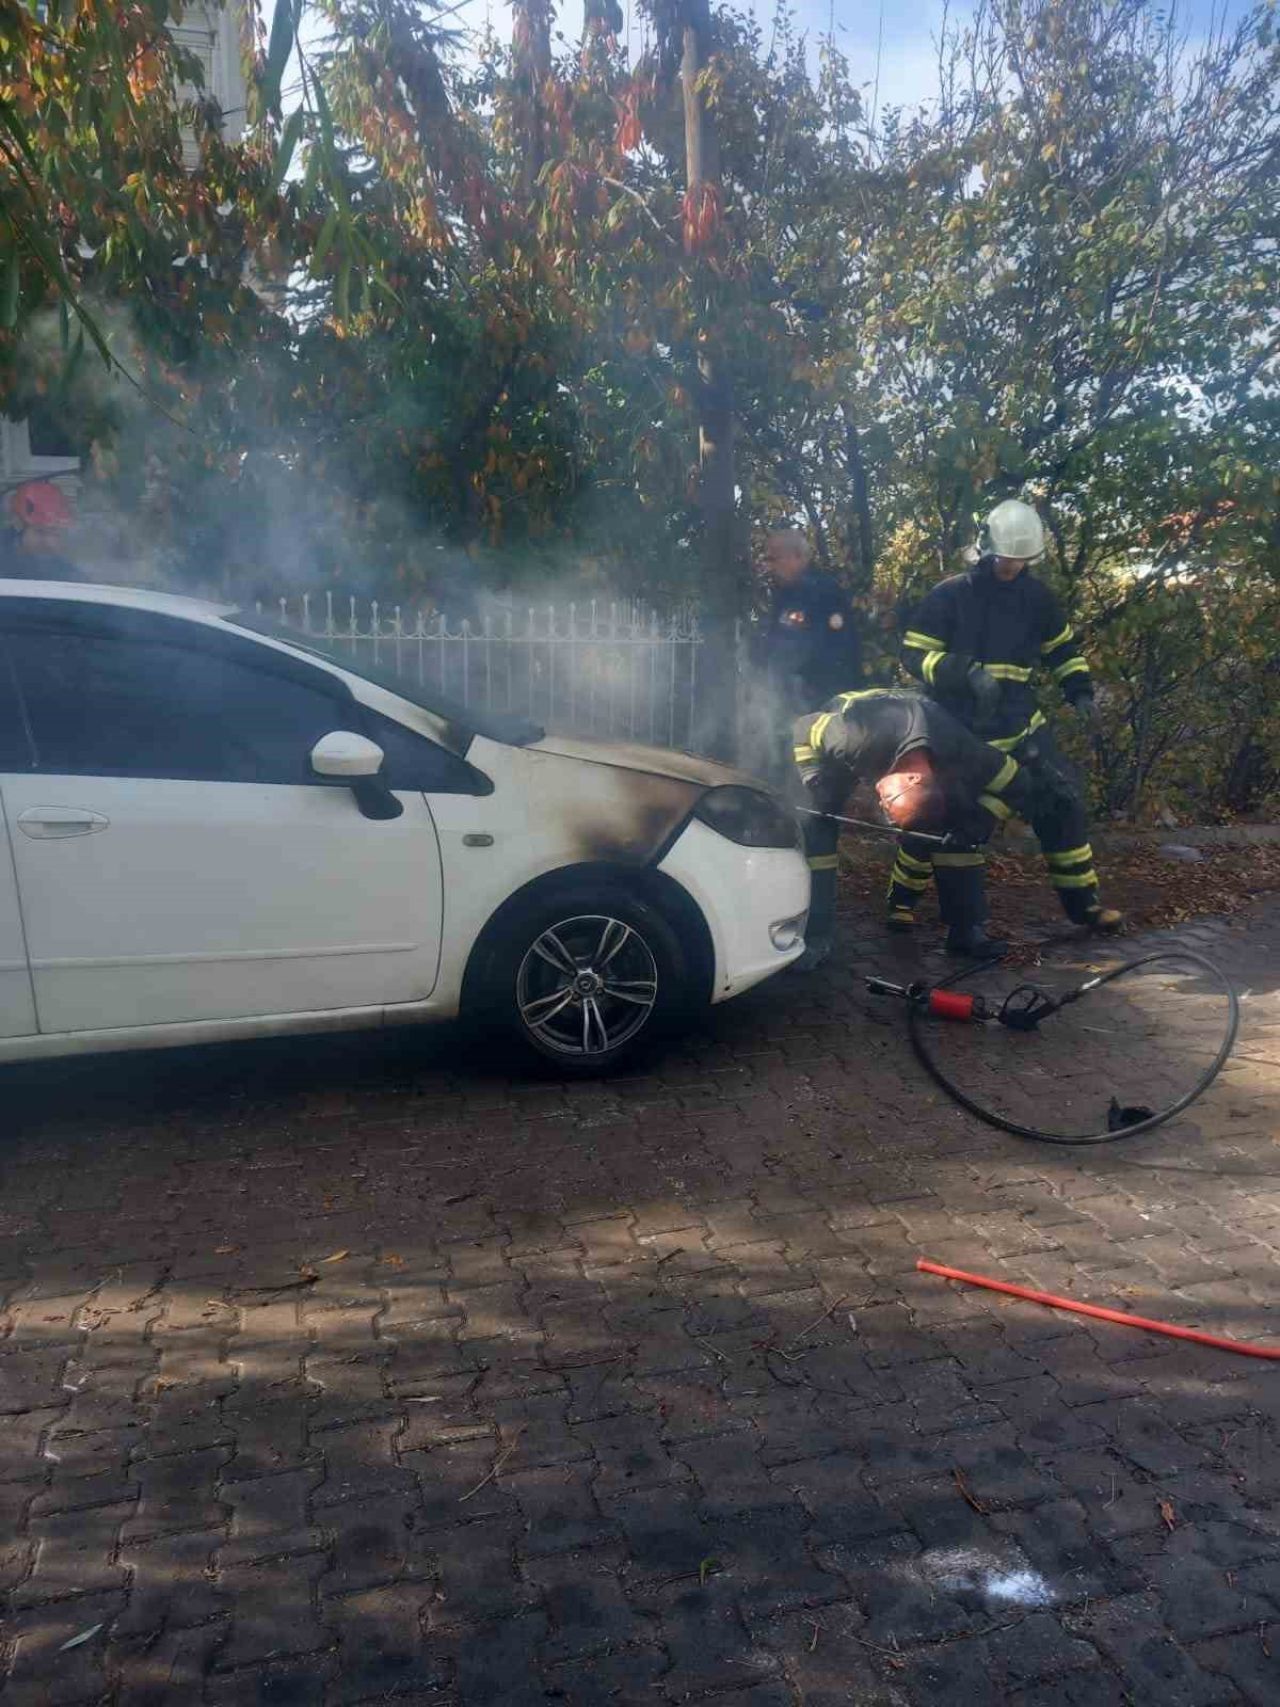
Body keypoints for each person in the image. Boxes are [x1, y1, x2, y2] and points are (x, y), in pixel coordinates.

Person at [901, 498, 1121, 934]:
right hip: (960, 732)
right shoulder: (950, 595)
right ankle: (927, 910)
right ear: (985, 547)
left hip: (1021, 727)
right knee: (950, 821)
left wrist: (1079, 692)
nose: (1011, 568)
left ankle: (1085, 908)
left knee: (1061, 802)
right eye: (1006, 558)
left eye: (1021, 561)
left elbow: (1063, 651)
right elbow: (913, 654)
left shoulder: (1037, 600)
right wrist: (962, 672)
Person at [792, 686, 1041, 967]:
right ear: (912, 779)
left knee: (960, 827)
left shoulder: (966, 755)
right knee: (819, 828)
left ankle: (966, 930)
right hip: (843, 748)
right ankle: (815, 935)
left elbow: (1020, 784)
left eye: (886, 802)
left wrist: (980, 820)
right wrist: (813, 778)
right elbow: (802, 728)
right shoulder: (854, 735)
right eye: (888, 800)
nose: (880, 803)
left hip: (920, 743)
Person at [1, 480, 81, 582]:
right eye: (41, 532)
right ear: (18, 524)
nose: (50, 543)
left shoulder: (66, 571)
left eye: (56, 534)